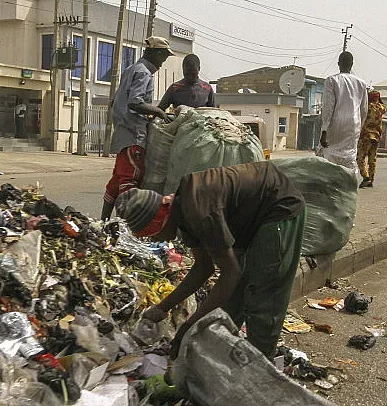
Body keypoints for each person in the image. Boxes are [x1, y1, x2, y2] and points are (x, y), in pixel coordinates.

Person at [115, 161, 306, 360]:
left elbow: (230, 273)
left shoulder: (200, 211)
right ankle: (223, 358)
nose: (156, 240)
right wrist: (162, 308)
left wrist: (190, 326)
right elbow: (202, 268)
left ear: (158, 219)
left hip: (278, 207)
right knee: (232, 300)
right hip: (251, 218)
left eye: (151, 234)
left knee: (263, 297)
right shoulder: (182, 212)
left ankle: (258, 372)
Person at [101, 36, 175, 220]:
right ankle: (126, 226)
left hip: (123, 134)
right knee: (130, 180)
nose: (163, 62)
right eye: (163, 57)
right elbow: (135, 102)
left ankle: (103, 223)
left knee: (116, 181)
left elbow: (116, 101)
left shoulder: (131, 70)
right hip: (134, 135)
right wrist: (158, 112)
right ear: (156, 53)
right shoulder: (143, 73)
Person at [319, 51, 368, 170]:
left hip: (335, 124)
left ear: (338, 64)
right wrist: (358, 128)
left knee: (329, 156)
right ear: (352, 64)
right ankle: (349, 183)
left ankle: (330, 184)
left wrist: (324, 130)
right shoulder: (361, 84)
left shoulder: (331, 80)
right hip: (353, 125)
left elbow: (328, 107)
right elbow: (364, 110)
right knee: (349, 157)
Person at [357, 91, 387, 188]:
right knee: (372, 159)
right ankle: (371, 180)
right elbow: (383, 106)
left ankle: (365, 177)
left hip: (366, 136)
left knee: (360, 158)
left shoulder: (367, 107)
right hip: (376, 137)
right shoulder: (382, 108)